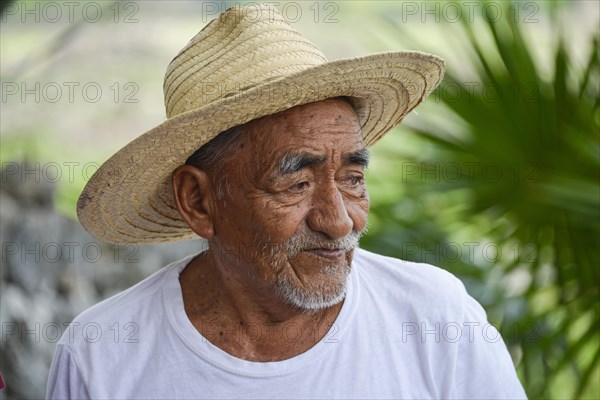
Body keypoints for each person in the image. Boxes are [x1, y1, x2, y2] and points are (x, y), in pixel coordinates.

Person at [47, 4, 527, 399]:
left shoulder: (436, 320)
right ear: (198, 200)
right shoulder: (102, 355)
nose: (339, 222)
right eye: (296, 185)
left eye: (353, 178)